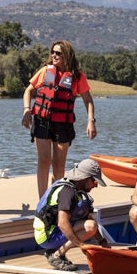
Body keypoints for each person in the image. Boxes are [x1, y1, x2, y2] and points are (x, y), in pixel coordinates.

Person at [22, 40, 97, 198]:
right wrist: (27, 110)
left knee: (58, 165)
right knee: (44, 160)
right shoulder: (45, 71)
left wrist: (91, 120)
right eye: (53, 52)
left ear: (67, 55)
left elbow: (88, 99)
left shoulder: (77, 77)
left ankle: (54, 199)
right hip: (42, 120)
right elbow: (28, 90)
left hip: (63, 123)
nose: (54, 55)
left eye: (58, 53)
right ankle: (42, 200)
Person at [33, 158, 110, 271]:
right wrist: (81, 245)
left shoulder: (78, 190)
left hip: (54, 231)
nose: (95, 186)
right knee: (90, 226)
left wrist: (102, 242)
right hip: (47, 235)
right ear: (85, 178)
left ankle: (56, 251)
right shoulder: (67, 192)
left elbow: (88, 219)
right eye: (94, 182)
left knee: (91, 224)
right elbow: (62, 223)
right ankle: (56, 256)